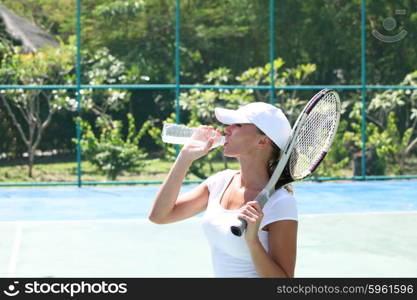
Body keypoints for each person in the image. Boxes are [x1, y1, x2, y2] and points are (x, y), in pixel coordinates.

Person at [148, 102, 298, 278]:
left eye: (238, 125)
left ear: (262, 141)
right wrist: (185, 157)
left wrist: (252, 241)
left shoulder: (281, 203)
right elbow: (159, 216)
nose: (227, 129)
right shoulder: (220, 182)